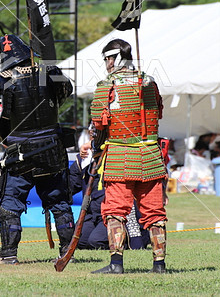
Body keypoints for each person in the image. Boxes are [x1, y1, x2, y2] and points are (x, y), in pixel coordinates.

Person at [80, 39, 167, 274]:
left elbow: (99, 126)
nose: (106, 64)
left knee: (115, 212)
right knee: (155, 213)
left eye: (107, 59)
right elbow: (156, 115)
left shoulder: (106, 86)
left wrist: (97, 150)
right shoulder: (150, 83)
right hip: (150, 157)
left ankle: (116, 264)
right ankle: (159, 265)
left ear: (115, 57)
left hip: (120, 158)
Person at [0, 34, 75, 265]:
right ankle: (67, 252)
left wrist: (8, 139)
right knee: (59, 201)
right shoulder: (49, 72)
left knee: (11, 202)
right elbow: (67, 92)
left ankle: (8, 255)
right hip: (52, 148)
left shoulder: (2, 81)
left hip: (19, 150)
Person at [69, 151, 150, 251]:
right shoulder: (83, 158)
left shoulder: (117, 155)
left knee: (95, 242)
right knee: (79, 242)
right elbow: (71, 186)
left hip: (113, 211)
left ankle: (124, 242)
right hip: (92, 212)